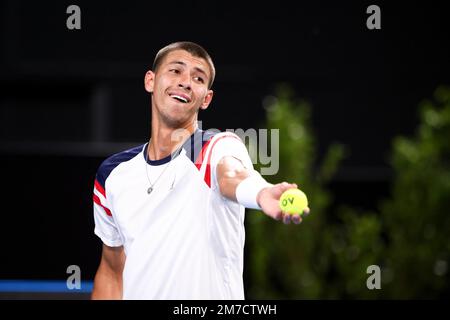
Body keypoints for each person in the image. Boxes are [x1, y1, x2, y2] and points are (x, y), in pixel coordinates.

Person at [91, 41, 310, 300]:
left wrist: (261, 193)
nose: (185, 82)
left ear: (206, 98)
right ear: (150, 81)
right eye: (175, 71)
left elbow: (231, 175)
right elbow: (112, 270)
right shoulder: (114, 174)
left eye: (198, 77)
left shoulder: (214, 146)